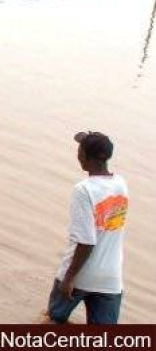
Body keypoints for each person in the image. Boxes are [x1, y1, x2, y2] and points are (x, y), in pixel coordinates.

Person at [47, 131, 128, 325]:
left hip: (79, 275)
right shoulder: (121, 184)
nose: (77, 153)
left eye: (80, 150)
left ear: (84, 157)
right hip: (110, 280)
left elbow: (86, 242)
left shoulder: (83, 190)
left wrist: (68, 279)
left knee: (54, 323)